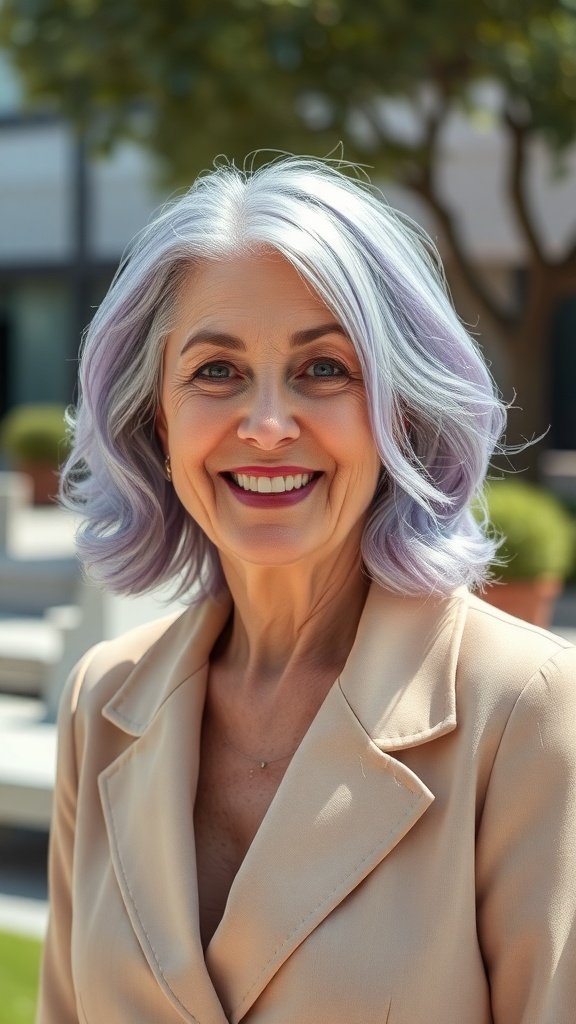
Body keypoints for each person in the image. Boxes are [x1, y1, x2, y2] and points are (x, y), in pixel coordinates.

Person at [37, 156, 576, 1024]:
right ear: (155, 418)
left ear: (401, 406)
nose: (267, 425)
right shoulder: (102, 701)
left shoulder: (526, 709)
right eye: (216, 371)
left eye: (325, 369)